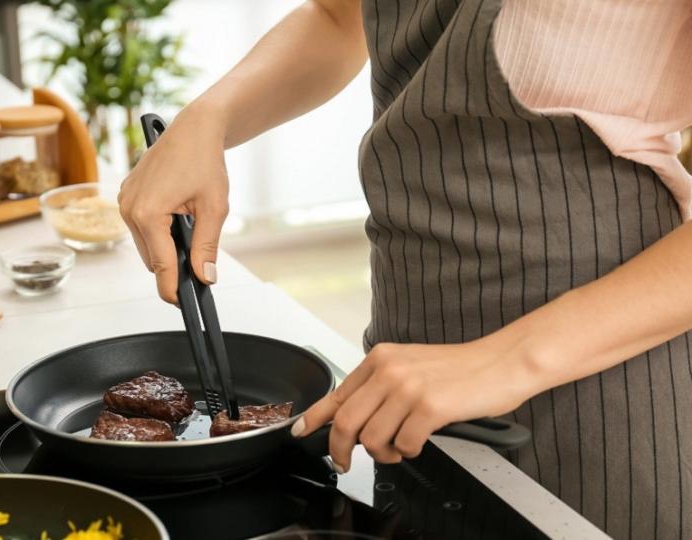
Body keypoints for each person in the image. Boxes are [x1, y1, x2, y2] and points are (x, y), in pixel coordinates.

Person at [117, 1, 692, 538]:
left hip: (600, 378)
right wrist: (209, 119)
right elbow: (338, 18)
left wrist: (501, 360)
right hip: (405, 356)